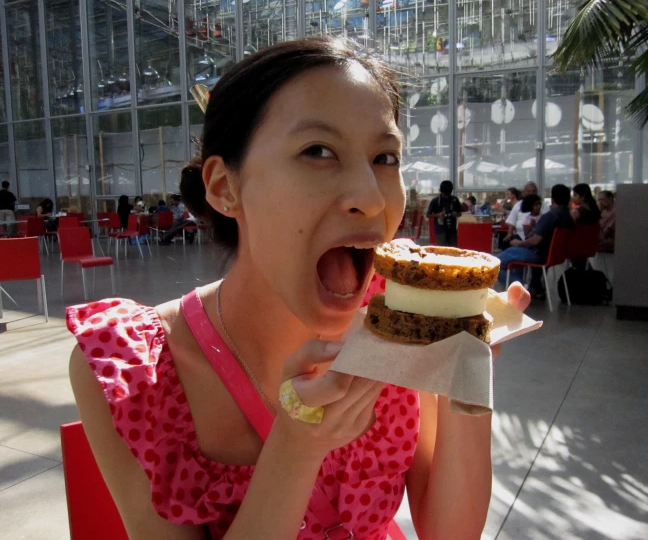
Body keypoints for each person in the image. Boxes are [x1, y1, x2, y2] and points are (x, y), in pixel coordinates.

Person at [67, 37, 529, 540]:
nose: (371, 199)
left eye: (386, 158)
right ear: (225, 187)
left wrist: (467, 376)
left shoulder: (394, 321)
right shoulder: (135, 371)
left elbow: (451, 533)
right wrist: (296, 446)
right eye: (318, 151)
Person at [496, 184, 575, 293]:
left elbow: (535, 240)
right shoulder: (569, 217)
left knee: (495, 264)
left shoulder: (550, 216)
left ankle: (525, 288)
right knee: (514, 259)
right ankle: (528, 286)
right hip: (554, 255)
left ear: (552, 199)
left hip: (537, 253)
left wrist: (520, 243)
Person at [426, 180, 462, 246]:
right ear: (441, 191)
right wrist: (438, 215)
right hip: (440, 230)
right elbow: (428, 215)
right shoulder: (436, 201)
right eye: (445, 194)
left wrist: (455, 214)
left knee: (453, 250)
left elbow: (460, 213)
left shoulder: (454, 200)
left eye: (448, 194)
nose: (446, 196)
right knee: (442, 250)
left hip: (452, 230)